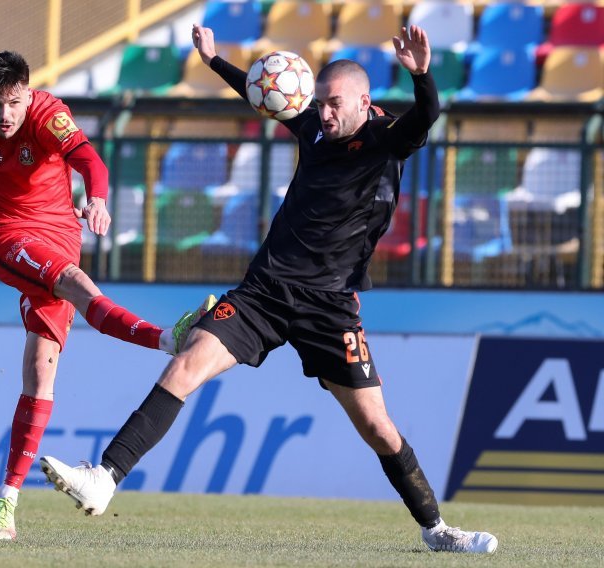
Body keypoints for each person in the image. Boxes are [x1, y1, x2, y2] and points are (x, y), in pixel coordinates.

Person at [39, 25, 499, 554]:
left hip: (330, 305)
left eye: (333, 104)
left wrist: (421, 75)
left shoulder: (384, 138)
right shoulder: (315, 129)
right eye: (318, 103)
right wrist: (214, 61)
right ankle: (105, 477)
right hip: (266, 290)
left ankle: (436, 528)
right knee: (186, 363)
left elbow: (427, 117)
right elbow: (266, 95)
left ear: (364, 102)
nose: (322, 113)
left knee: (376, 425)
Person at [0, 50, 215, 541]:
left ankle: (4, 503)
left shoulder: (49, 116)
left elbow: (90, 160)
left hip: (60, 231)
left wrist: (97, 198)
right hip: (6, 234)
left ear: (28, 92)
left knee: (39, 371)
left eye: (12, 102)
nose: (4, 115)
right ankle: (168, 338)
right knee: (73, 284)